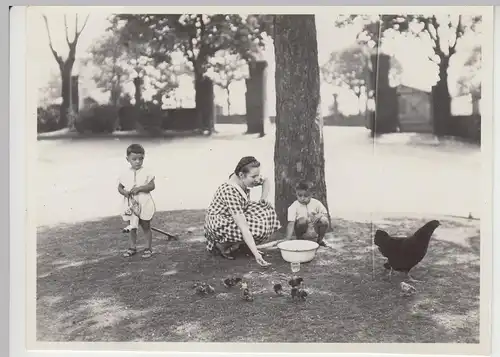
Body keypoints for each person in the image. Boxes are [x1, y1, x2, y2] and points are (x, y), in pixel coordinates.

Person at [204, 156, 281, 266]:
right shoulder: (230, 191)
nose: (257, 178)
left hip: (235, 214)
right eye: (254, 176)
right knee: (258, 228)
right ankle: (222, 245)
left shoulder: (241, 177)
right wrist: (256, 255)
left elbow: (266, 180)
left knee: (268, 211)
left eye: (258, 175)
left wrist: (263, 199)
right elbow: (243, 227)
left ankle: (241, 246)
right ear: (241, 175)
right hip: (220, 222)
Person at [118, 144, 156, 258]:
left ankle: (148, 248)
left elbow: (152, 186)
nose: (138, 162)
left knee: (145, 225)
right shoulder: (125, 174)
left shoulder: (147, 172)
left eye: (141, 159)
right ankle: (132, 247)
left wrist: (140, 188)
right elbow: (120, 187)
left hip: (144, 202)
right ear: (128, 159)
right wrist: (125, 193)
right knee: (132, 226)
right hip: (131, 203)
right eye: (134, 159)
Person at [285, 180, 330, 246]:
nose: (302, 198)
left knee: (324, 220)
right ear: (296, 194)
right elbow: (291, 223)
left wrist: (319, 215)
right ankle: (300, 241)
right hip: (302, 230)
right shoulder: (294, 206)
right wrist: (287, 239)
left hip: (314, 229)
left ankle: (320, 240)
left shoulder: (316, 203)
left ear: (311, 194)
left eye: (306, 196)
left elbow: (325, 214)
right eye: (300, 195)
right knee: (302, 220)